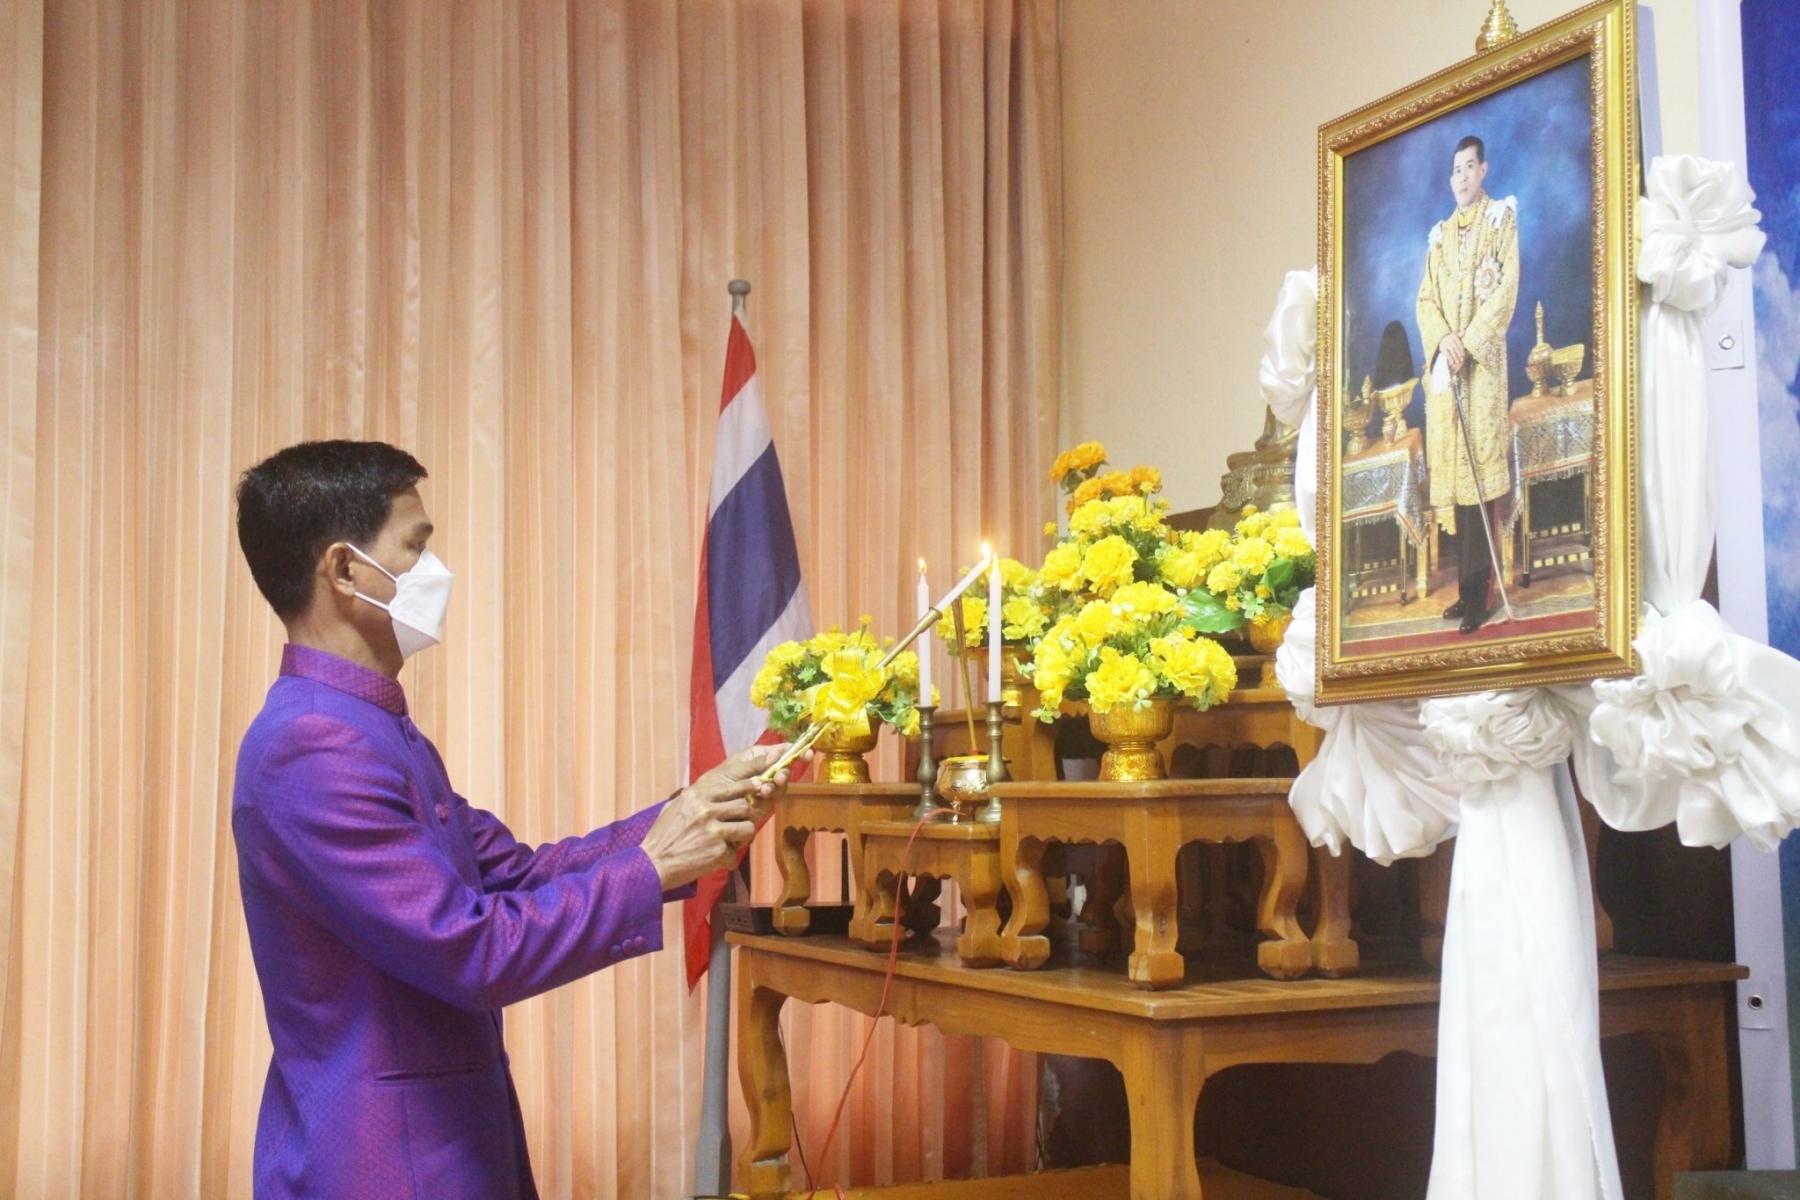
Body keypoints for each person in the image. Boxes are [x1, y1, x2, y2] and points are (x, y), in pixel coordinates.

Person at [230, 440, 799, 1198]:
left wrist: (694, 810)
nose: (435, 570)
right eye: (415, 547)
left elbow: (517, 874)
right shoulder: (314, 743)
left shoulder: (367, 726)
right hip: (391, 1160)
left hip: (448, 1136)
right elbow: (471, 949)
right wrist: (655, 864)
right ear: (344, 570)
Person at [1416, 134, 1520, 634]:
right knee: (1459, 488)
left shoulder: (1500, 220)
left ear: (1483, 170)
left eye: (1469, 167)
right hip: (1450, 371)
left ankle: (1483, 597)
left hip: (1482, 375)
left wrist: (1469, 342)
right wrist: (1444, 341)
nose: (1461, 176)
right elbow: (1425, 301)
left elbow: (1506, 290)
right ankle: (1466, 592)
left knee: (1481, 487)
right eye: (1455, 169)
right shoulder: (1438, 238)